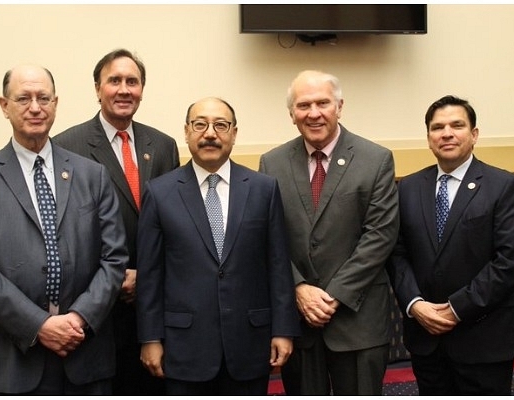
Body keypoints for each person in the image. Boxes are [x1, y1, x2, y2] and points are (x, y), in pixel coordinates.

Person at [0, 64, 128, 395]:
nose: (35, 107)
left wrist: (78, 319)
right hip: (13, 360)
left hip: (86, 354)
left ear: (55, 103)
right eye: (23, 98)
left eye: (43, 98)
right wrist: (39, 325)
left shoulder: (92, 175)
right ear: (4, 105)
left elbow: (115, 257)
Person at [136, 96, 301, 395]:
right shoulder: (160, 193)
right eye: (200, 124)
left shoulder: (264, 189)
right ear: (186, 132)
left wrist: (283, 330)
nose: (210, 133)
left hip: (250, 344)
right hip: (183, 347)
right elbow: (150, 275)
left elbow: (277, 265)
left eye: (220, 125)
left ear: (234, 134)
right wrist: (150, 338)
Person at [259, 70, 400, 395]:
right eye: (303, 105)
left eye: (322, 103)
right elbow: (269, 237)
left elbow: (380, 236)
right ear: (292, 114)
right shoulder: (272, 163)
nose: (314, 113)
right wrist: (298, 289)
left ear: (339, 106)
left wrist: (332, 295)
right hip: (299, 320)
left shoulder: (375, 160)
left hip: (358, 319)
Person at [52, 48, 179, 395]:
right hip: (97, 313)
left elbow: (177, 225)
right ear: (97, 89)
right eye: (114, 81)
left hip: (154, 308)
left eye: (133, 82)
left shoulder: (164, 145)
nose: (124, 89)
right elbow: (63, 230)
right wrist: (114, 278)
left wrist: (148, 276)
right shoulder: (66, 146)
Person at [387, 95, 514, 395]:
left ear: (474, 134)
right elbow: (397, 254)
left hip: (484, 339)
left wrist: (455, 309)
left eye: (457, 125)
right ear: (428, 138)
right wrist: (415, 304)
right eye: (437, 127)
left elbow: (510, 262)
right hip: (427, 339)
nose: (447, 133)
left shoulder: (503, 186)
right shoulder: (409, 187)